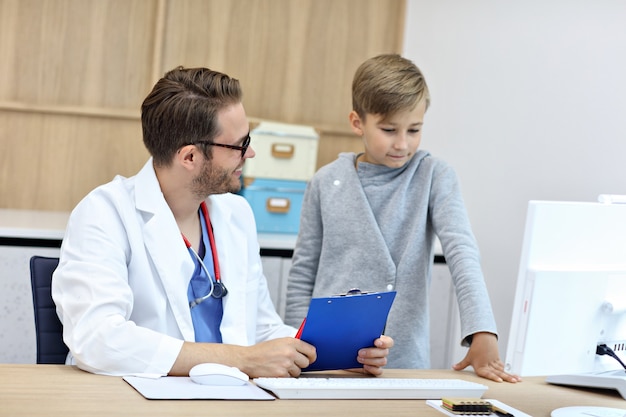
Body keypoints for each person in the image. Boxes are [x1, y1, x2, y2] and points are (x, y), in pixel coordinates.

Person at [51, 66, 393, 377]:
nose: (251, 154)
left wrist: (345, 353)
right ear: (190, 156)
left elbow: (260, 329)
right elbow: (98, 340)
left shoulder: (236, 214)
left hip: (230, 400)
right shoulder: (104, 214)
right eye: (239, 145)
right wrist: (242, 360)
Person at [284, 54, 520, 383]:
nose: (402, 143)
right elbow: (302, 273)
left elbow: (461, 251)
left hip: (402, 362)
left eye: (414, 130)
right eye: (389, 129)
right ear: (357, 122)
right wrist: (295, 348)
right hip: (326, 360)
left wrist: (482, 330)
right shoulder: (325, 182)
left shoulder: (434, 176)